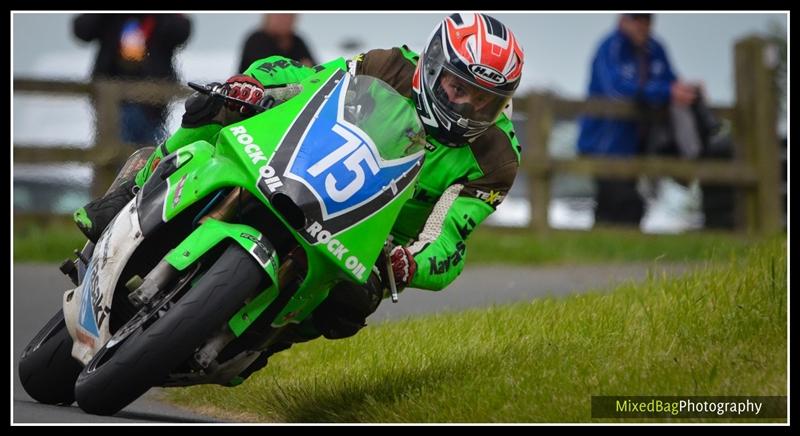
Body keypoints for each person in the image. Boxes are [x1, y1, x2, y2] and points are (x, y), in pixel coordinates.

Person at [73, 13, 524, 379]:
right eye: (458, 87)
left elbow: (449, 237)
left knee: (352, 305)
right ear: (431, 67)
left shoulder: (496, 159)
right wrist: (253, 88)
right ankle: (130, 194)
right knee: (214, 107)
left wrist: (410, 262)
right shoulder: (387, 66)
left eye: (483, 100)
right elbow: (311, 84)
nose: (465, 105)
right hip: (298, 169)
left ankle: (263, 340)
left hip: (369, 240)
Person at [576, 13, 702, 226]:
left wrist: (687, 90)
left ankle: (611, 253)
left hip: (639, 145)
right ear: (623, 19)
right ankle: (605, 251)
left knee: (625, 207)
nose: (642, 24)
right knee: (620, 204)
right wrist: (664, 91)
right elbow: (617, 90)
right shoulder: (610, 47)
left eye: (647, 19)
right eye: (636, 18)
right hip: (605, 144)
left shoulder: (655, 49)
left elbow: (671, 82)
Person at [73, 13, 192, 146]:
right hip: (113, 101)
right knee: (126, 152)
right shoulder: (111, 18)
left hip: (154, 105)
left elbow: (181, 32)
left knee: (147, 153)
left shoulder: (160, 19)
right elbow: (82, 30)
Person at [238, 13, 316, 74]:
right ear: (268, 17)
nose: (285, 19)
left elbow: (315, 70)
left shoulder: (297, 41)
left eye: (290, 15)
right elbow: (268, 72)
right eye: (281, 15)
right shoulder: (256, 40)